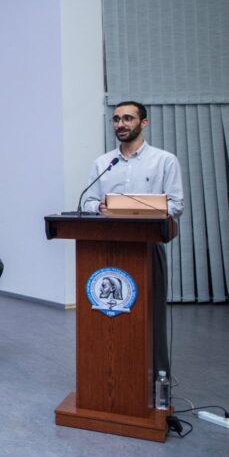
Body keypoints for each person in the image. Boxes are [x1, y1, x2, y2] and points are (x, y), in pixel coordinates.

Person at [81, 100, 184, 379]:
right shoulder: (103, 163)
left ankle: (156, 379)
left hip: (147, 248)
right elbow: (87, 202)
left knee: (150, 315)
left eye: (127, 118)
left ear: (143, 123)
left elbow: (176, 205)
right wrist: (99, 207)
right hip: (107, 251)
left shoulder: (164, 161)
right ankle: (111, 375)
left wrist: (138, 208)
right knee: (108, 312)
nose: (121, 124)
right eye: (116, 119)